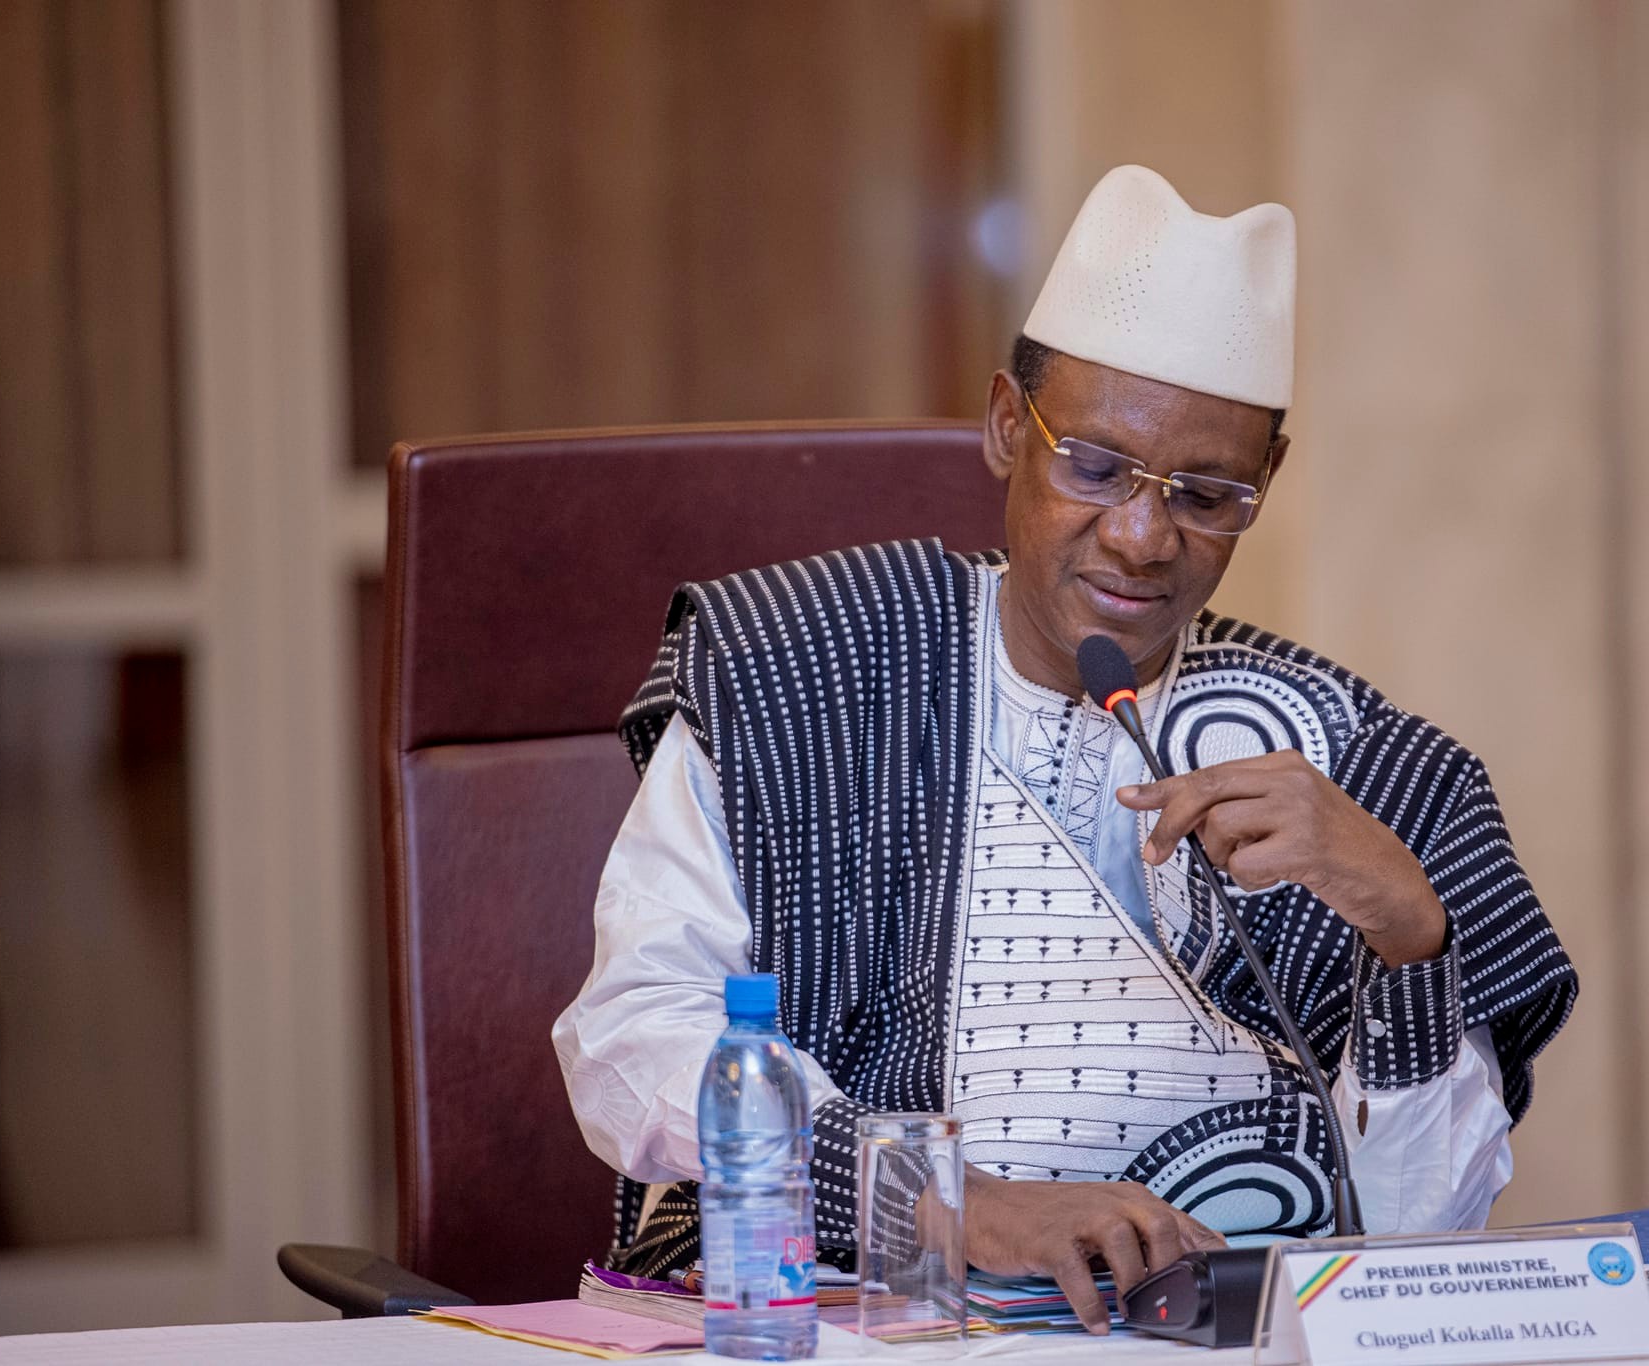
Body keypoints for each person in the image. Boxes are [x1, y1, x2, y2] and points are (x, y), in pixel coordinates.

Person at [553, 165, 1577, 1332]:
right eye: (1093, 467)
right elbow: (629, 1039)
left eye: (1204, 495)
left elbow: (1419, 1245)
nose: (1141, 537)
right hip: (870, 1329)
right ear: (1007, 425)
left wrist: (1410, 938)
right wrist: (955, 1202)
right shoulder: (800, 667)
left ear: (1265, 481)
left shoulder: (1367, 763)